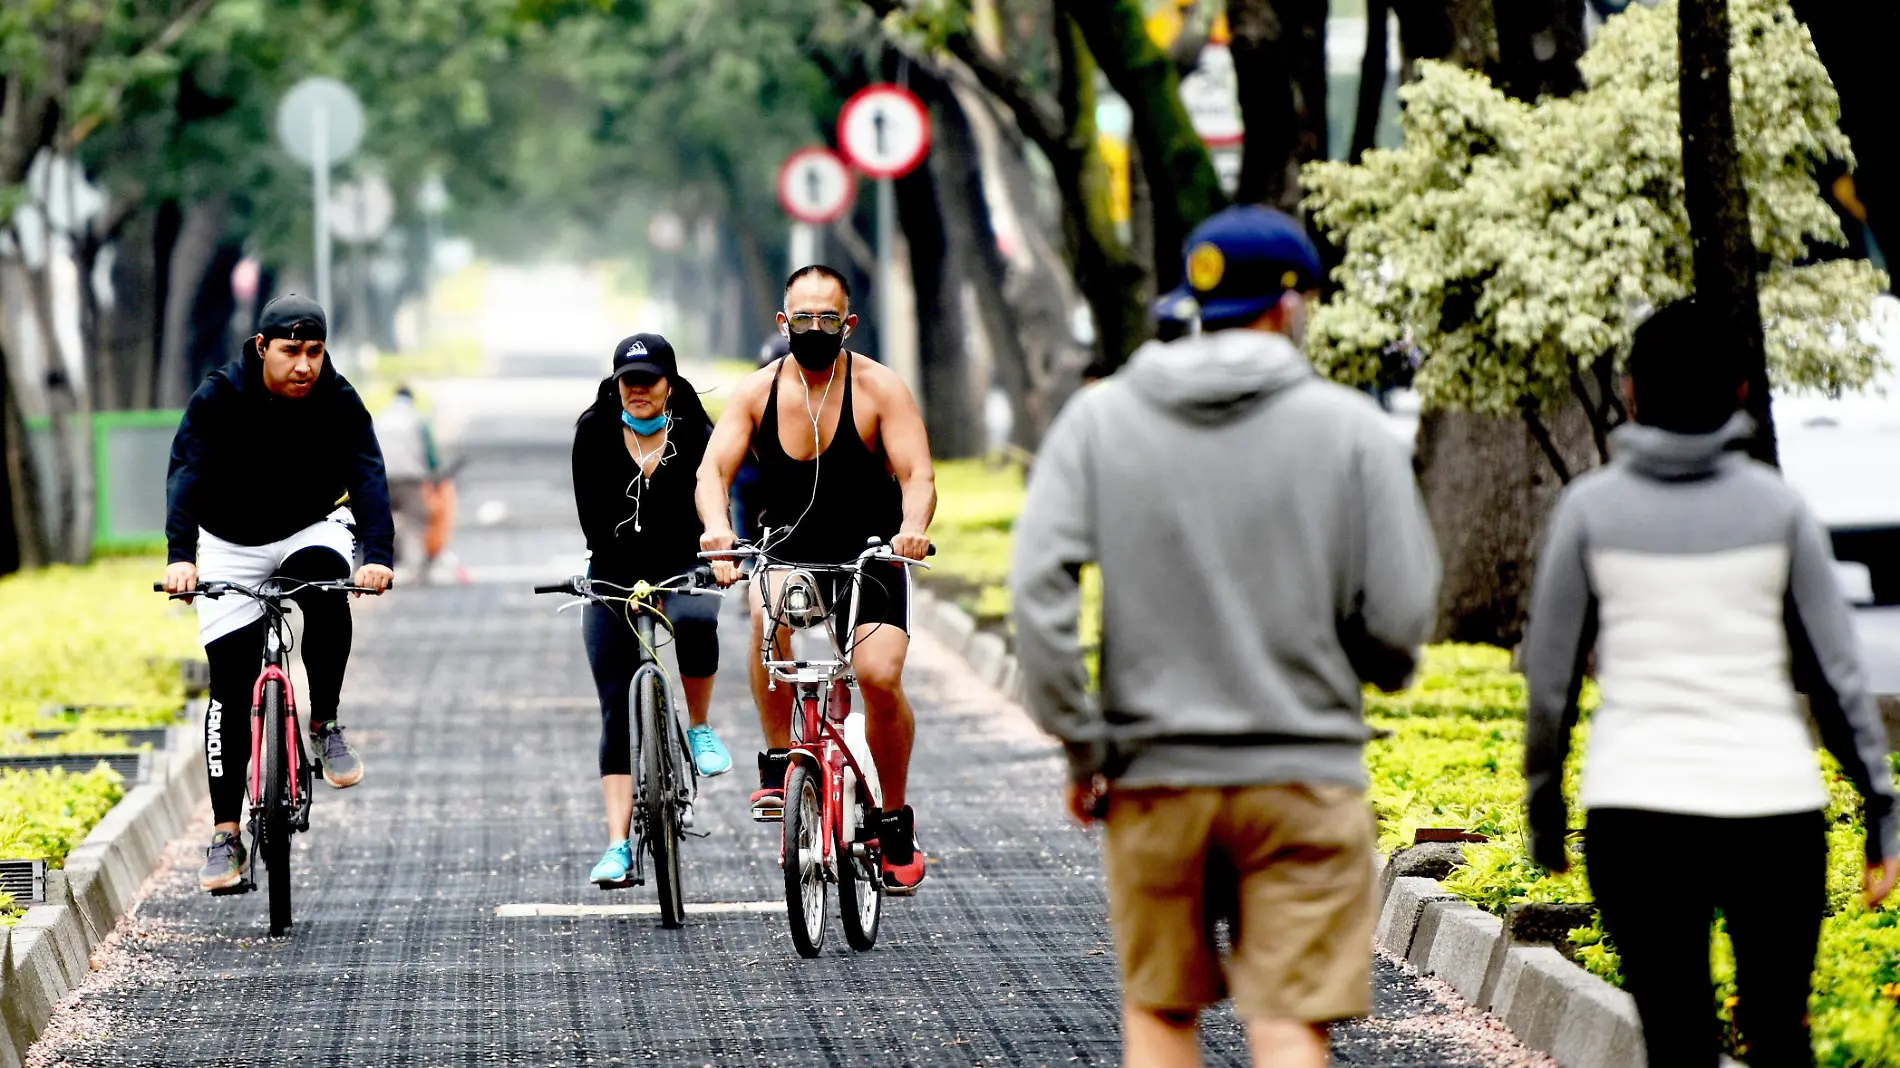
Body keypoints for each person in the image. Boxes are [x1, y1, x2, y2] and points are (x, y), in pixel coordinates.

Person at [1010, 206, 1441, 1068]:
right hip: (1303, 777)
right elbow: (1398, 621)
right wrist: (1348, 674)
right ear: (1288, 307)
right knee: (1286, 1022)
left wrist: (1085, 745)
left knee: (1163, 1013)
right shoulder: (1351, 430)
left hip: (1155, 776)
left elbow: (1037, 588)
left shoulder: (1101, 421)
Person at [1522, 298, 1899, 1068]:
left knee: (1678, 1039)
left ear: (1631, 392)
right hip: (1775, 817)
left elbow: (1551, 678)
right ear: (1739, 392)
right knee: (1778, 1033)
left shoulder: (1588, 509)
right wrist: (1880, 809)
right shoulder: (1780, 508)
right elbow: (1836, 675)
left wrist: (1544, 806)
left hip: (1637, 817)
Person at [696, 265, 937, 892]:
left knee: (880, 677)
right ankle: (780, 762)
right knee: (760, 611)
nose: (813, 329)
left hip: (870, 557)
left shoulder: (880, 389)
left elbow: (917, 475)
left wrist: (911, 528)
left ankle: (892, 820)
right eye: (801, 319)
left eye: (826, 319)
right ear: (783, 323)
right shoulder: (756, 394)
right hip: (792, 556)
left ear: (847, 324)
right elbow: (712, 473)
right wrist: (718, 534)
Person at [163, 294, 395, 893]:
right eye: (291, 352)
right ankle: (223, 833)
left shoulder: (337, 399)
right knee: (230, 686)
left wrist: (377, 557)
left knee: (324, 589)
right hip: (226, 541)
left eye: (315, 352)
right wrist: (181, 559)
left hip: (307, 527)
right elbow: (187, 472)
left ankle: (325, 723)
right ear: (262, 347)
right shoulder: (219, 396)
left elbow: (367, 472)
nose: (304, 366)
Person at [573, 333, 733, 887]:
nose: (638, 392)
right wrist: (631, 577)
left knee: (696, 622)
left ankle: (699, 727)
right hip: (614, 572)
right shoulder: (593, 431)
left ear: (669, 384)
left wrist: (712, 558)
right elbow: (593, 520)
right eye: (628, 383)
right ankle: (618, 844)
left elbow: (713, 503)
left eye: (649, 382)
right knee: (616, 706)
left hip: (684, 564)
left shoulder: (698, 435)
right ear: (616, 385)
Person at [374, 384, 440, 580]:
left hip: (380, 478)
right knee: (415, 521)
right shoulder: (418, 419)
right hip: (409, 479)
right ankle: (414, 568)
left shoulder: (379, 418)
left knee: (379, 521)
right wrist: (434, 475)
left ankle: (378, 565)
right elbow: (429, 453)